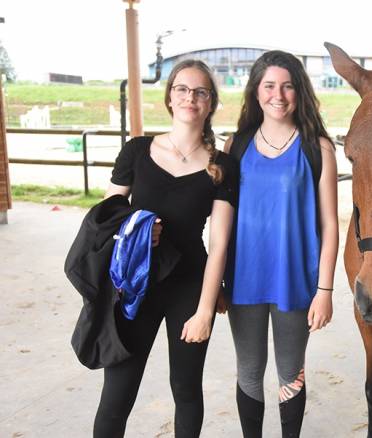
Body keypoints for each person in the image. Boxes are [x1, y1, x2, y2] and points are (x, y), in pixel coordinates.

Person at [93, 59, 237, 438]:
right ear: (171, 98)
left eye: (200, 92)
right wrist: (134, 226)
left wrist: (205, 309)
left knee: (186, 390)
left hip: (189, 285)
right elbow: (105, 217)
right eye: (182, 89)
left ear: (210, 103)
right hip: (134, 284)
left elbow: (219, 241)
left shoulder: (222, 165)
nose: (191, 97)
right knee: (117, 395)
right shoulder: (137, 152)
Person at [222, 50, 338, 438]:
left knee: (290, 372)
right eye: (269, 85)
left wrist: (325, 289)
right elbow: (220, 226)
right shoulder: (234, 147)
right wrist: (215, 285)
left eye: (287, 86)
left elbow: (330, 225)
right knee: (249, 371)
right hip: (243, 281)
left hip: (295, 281)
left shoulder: (317, 148)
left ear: (299, 92)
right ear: (256, 91)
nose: (278, 94)